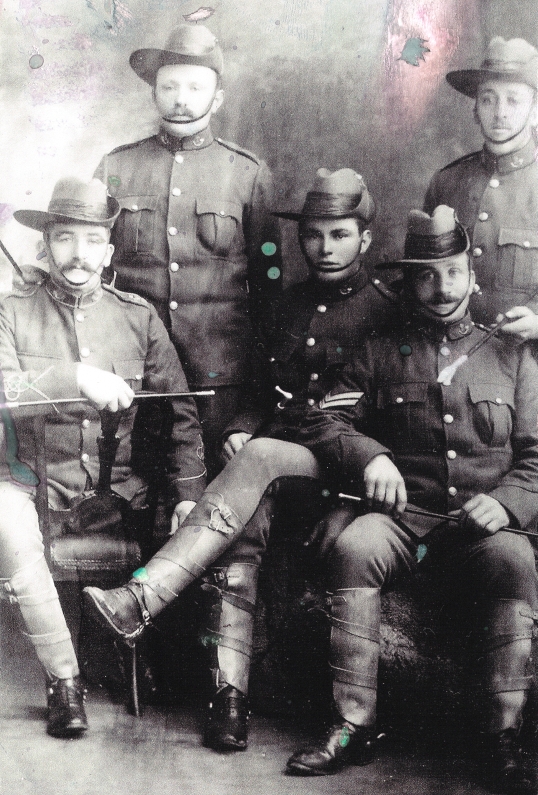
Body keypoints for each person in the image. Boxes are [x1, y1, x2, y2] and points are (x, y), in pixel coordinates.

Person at [83, 167, 398, 752]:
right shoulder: (284, 305)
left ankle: (142, 597)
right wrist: (242, 427)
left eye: (340, 235)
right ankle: (230, 699)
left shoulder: (388, 309)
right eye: (313, 236)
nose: (324, 248)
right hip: (276, 465)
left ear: (367, 239)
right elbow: (257, 386)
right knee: (243, 533)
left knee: (260, 459)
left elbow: (399, 418)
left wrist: (268, 448)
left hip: (348, 472)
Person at [286, 205, 538, 794]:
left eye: (452, 272)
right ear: (408, 281)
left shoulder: (513, 353)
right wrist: (370, 455)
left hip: (486, 525)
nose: (442, 288)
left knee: (514, 561)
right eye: (427, 275)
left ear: (472, 274)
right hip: (405, 518)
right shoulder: (379, 350)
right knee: (354, 547)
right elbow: (324, 422)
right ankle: (353, 722)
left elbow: (537, 454)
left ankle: (502, 733)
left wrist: (507, 504)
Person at [0, 176, 206, 737]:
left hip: (122, 492)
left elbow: (181, 414)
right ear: (46, 248)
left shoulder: (138, 316)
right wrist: (72, 376)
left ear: (108, 251)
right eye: (64, 239)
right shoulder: (12, 311)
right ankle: (65, 682)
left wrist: (188, 495)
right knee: (4, 525)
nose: (78, 254)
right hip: (30, 484)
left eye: (91, 240)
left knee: (203, 531)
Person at [94, 23, 282, 476]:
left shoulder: (248, 175)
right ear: (153, 93)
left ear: (217, 98)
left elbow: (271, 298)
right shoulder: (116, 167)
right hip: (132, 379)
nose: (182, 98)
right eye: (170, 86)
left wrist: (251, 412)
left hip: (220, 387)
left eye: (196, 87)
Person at [424, 37, 538, 341]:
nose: (500, 112)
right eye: (488, 99)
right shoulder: (446, 183)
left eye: (513, 100)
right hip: (452, 362)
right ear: (475, 110)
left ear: (536, 111)